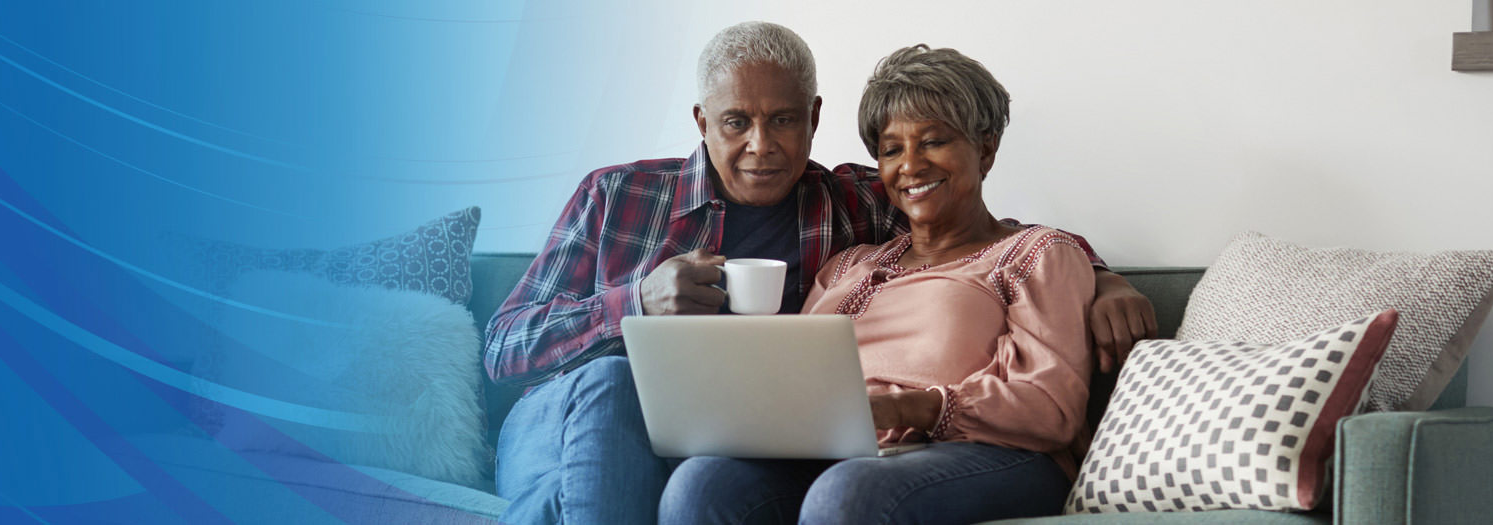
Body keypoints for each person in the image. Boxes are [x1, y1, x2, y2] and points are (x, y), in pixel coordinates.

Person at [484, 23, 1154, 525]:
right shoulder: (617, 195)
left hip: (876, 446)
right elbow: (503, 346)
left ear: (814, 118)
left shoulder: (850, 205)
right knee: (615, 378)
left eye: (782, 121)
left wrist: (1106, 278)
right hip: (566, 416)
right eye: (736, 123)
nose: (761, 145)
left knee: (700, 482)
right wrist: (633, 300)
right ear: (702, 122)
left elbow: (985, 238)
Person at [659, 43, 1094, 525]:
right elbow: (799, 383)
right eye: (892, 149)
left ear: (986, 148)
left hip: (992, 456)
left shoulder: (1034, 254)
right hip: (847, 457)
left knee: (845, 494)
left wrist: (906, 408)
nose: (911, 165)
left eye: (933, 141)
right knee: (703, 482)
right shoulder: (847, 265)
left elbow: (1053, 408)